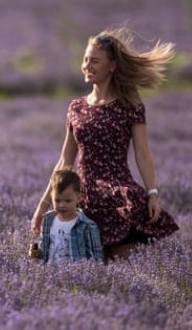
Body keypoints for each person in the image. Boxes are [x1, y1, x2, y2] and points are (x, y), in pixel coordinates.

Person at [30, 27, 178, 260]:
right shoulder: (76, 107)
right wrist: (43, 205)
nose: (87, 65)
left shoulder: (130, 105)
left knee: (118, 261)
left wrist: (152, 193)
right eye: (85, 59)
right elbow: (65, 161)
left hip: (119, 195)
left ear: (112, 66)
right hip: (84, 195)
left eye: (95, 61)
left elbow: (142, 153)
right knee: (79, 260)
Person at [33, 170, 103, 264]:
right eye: (57, 201)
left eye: (68, 201)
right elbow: (43, 249)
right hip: (50, 272)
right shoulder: (47, 220)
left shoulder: (87, 225)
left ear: (78, 197)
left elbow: (97, 256)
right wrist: (35, 253)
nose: (62, 205)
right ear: (51, 197)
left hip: (75, 275)